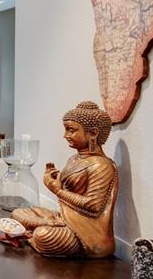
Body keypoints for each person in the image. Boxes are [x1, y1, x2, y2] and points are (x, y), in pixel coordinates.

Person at [12, 101, 117, 258]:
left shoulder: (102, 165)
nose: (65, 135)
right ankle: (44, 223)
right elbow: (66, 193)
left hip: (86, 231)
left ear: (93, 133)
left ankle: (37, 230)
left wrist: (57, 190)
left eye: (71, 130)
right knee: (18, 212)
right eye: (66, 129)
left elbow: (93, 206)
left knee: (43, 235)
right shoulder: (74, 159)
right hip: (64, 218)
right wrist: (54, 180)